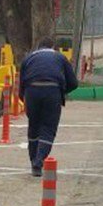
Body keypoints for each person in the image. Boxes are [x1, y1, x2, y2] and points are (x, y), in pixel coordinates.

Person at [18, 38, 79, 176]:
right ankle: (38, 162)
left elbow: (21, 85)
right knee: (48, 128)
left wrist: (24, 100)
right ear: (53, 47)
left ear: (38, 47)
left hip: (31, 91)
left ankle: (33, 161)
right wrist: (60, 92)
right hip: (52, 91)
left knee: (33, 127)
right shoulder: (60, 57)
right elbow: (74, 83)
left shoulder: (28, 58)